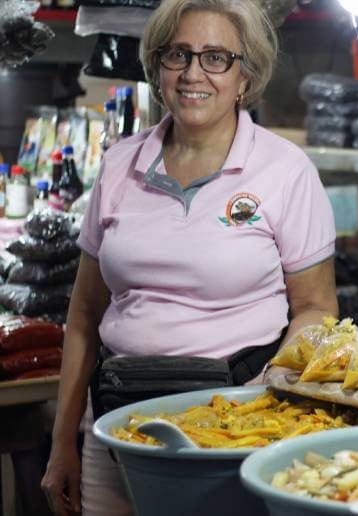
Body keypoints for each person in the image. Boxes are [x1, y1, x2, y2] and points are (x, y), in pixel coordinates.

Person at [40, 1, 338, 514]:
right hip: (117, 419)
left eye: (216, 57)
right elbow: (85, 315)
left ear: (246, 74)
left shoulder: (285, 171)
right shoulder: (118, 165)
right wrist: (62, 442)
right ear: (157, 69)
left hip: (237, 426)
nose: (194, 73)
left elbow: (316, 308)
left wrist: (267, 391)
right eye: (179, 55)